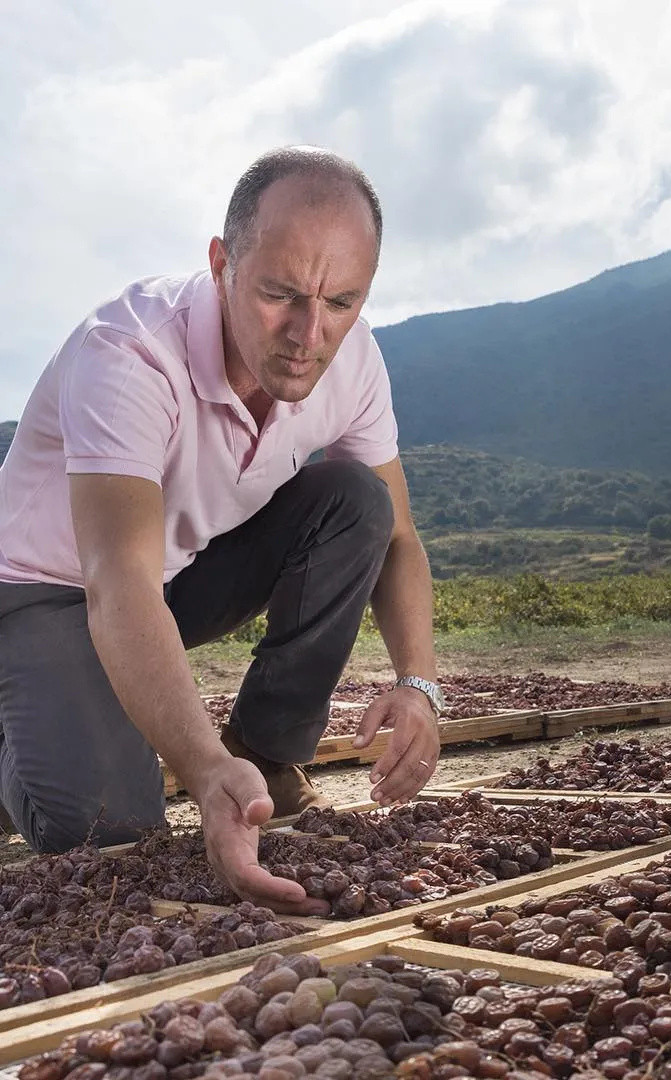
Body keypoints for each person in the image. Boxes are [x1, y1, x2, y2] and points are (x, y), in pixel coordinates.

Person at [0, 146, 446, 915]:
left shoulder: (355, 358)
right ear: (222, 263)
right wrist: (201, 768)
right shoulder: (130, 352)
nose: (309, 333)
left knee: (357, 501)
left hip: (171, 577)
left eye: (341, 301)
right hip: (44, 589)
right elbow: (117, 584)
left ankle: (266, 756)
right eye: (280, 294)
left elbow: (397, 535)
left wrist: (419, 686)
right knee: (112, 832)